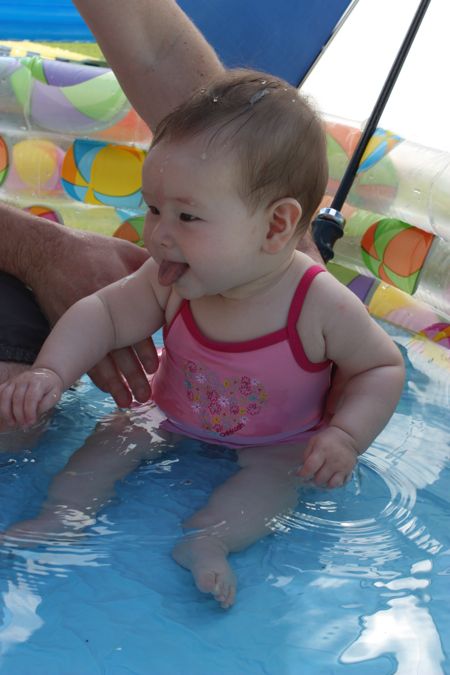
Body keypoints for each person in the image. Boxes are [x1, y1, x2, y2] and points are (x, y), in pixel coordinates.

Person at [0, 70, 405, 608]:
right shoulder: (171, 277)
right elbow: (101, 314)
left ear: (276, 227)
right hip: (166, 411)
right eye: (153, 208)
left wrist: (347, 437)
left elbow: (381, 367)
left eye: (187, 215)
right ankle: (63, 516)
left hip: (276, 440)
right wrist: (52, 370)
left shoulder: (318, 304)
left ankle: (209, 541)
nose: (160, 233)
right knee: (113, 436)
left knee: (272, 484)